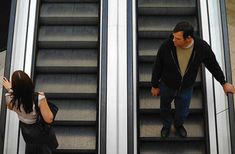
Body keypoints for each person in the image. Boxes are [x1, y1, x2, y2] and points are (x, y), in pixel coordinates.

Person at [151, 21, 235, 138]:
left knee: (183, 110)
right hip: (167, 85)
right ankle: (166, 125)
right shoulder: (167, 45)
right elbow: (158, 65)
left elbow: (212, 65)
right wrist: (155, 85)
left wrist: (223, 82)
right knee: (165, 107)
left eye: (177, 38)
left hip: (186, 88)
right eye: (173, 36)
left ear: (188, 38)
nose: (173, 40)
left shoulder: (201, 47)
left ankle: (178, 125)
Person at [2, 70, 58, 153]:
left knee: (32, 142)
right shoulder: (39, 98)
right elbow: (49, 119)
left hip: (25, 127)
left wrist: (10, 89)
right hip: (39, 128)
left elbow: (10, 107)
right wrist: (43, 100)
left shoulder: (9, 98)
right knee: (45, 143)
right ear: (29, 83)